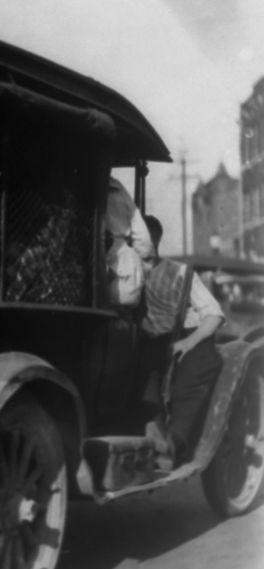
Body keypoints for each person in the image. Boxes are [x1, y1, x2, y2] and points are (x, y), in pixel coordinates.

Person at [140, 215, 224, 468]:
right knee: (144, 383)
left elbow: (214, 315)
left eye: (144, 240)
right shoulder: (119, 268)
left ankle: (175, 446)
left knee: (191, 375)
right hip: (149, 341)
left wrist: (189, 343)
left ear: (154, 241)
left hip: (187, 337)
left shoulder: (179, 273)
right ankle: (151, 437)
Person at [104, 177, 154, 307]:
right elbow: (143, 239)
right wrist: (143, 260)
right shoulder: (117, 187)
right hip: (123, 263)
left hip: (91, 262)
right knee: (123, 313)